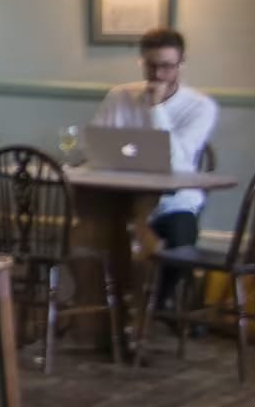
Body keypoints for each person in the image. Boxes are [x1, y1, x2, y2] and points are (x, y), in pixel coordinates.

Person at [91, 27, 218, 289]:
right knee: (92, 235)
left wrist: (156, 109)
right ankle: (107, 307)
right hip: (120, 199)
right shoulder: (119, 96)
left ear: (181, 63)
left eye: (167, 66)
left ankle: (153, 311)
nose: (158, 74)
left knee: (180, 242)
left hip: (173, 202)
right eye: (150, 66)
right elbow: (97, 146)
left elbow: (177, 164)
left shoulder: (200, 107)